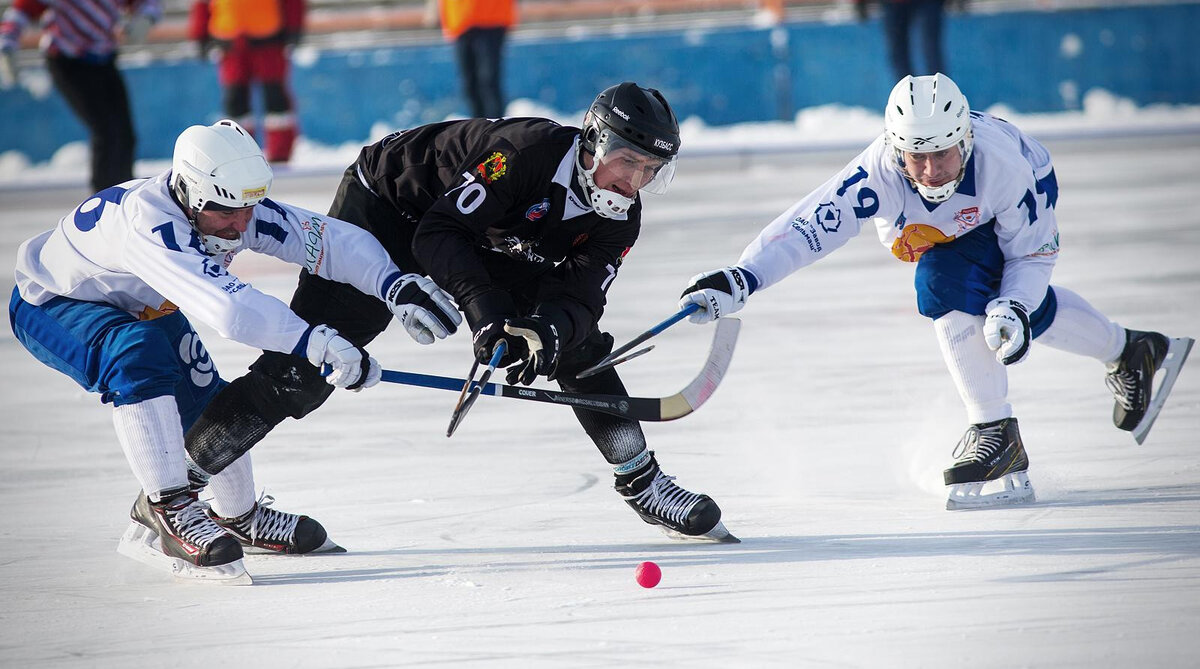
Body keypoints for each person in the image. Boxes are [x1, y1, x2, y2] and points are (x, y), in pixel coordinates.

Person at [185, 82, 737, 543]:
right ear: (594, 143)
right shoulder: (521, 153)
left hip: (494, 236)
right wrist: (489, 315)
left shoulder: (620, 217)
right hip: (392, 210)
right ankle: (175, 492)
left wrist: (545, 330)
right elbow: (440, 231)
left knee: (579, 347)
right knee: (306, 366)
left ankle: (643, 484)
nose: (633, 182)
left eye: (651, 170)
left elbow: (582, 299)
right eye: (626, 162)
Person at [678, 73, 1193, 510]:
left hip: (1019, 193)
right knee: (977, 291)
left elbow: (1032, 256)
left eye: (941, 155)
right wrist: (744, 277)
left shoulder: (1003, 168)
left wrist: (1014, 304)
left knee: (949, 283)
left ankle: (996, 432)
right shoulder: (879, 169)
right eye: (914, 157)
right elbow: (810, 226)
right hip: (940, 229)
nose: (927, 171)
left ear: (964, 140)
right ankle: (1132, 350)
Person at [9, 119, 461, 582]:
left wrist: (393, 284)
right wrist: (317, 343)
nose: (243, 223)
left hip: (143, 305)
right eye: (228, 212)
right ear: (190, 194)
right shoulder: (150, 224)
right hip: (56, 302)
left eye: (249, 208)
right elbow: (230, 308)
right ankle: (165, 506)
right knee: (137, 355)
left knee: (206, 394)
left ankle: (237, 516)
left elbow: (328, 239)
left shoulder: (228, 203)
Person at [0, 0, 160, 193]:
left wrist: (145, 18)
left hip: (103, 60)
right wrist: (7, 46)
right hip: (68, 61)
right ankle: (104, 200)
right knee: (106, 132)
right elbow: (22, 10)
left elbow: (147, 3)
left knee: (125, 135)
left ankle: (126, 195)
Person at [188, 0, 305, 163]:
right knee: (235, 101)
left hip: (269, 40)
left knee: (275, 98)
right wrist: (200, 33)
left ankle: (280, 153)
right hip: (230, 43)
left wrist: (294, 28)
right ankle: (239, 153)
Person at [425, 0, 516, 118]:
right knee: (469, 84)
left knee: (488, 80)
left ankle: (496, 126)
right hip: (460, 22)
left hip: (492, 19)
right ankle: (478, 127)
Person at [855, 0, 949, 83]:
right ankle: (908, 96)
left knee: (929, 48)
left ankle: (941, 94)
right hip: (893, 4)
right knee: (898, 53)